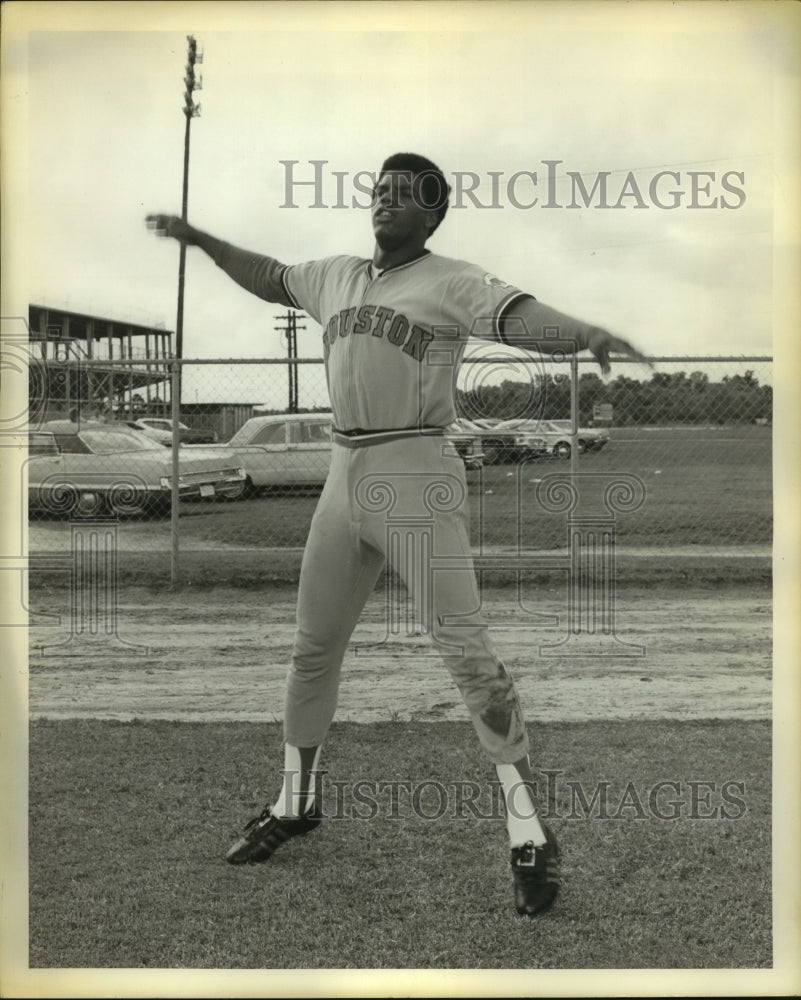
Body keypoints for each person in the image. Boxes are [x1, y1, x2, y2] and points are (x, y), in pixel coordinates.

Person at [146, 152, 647, 917]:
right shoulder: (337, 275)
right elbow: (270, 274)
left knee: (467, 657)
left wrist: (582, 332)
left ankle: (528, 836)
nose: (384, 201)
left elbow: (518, 318)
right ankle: (294, 802)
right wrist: (203, 239)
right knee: (312, 647)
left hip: (416, 465)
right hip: (344, 472)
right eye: (377, 190)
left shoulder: (448, 278)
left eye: (404, 194)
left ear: (433, 213)